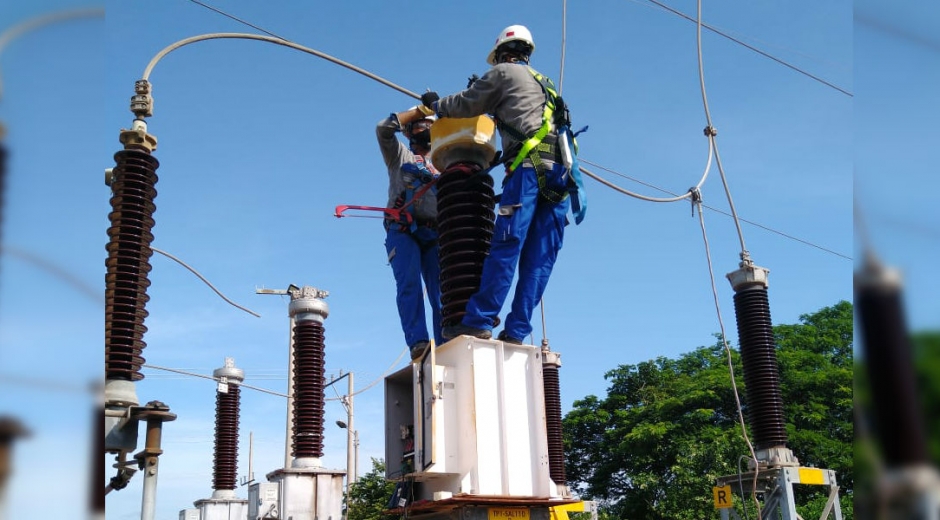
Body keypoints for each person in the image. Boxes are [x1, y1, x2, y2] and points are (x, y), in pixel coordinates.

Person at [418, 24, 584, 345]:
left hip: (528, 172)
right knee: (539, 259)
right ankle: (517, 332)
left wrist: (435, 104)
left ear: (501, 55)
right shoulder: (546, 85)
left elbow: (467, 103)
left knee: (506, 245)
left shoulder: (503, 73)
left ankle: (477, 321)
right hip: (562, 177)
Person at [376, 107, 443, 359]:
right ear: (410, 132)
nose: (426, 130)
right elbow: (382, 129)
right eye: (420, 126)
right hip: (402, 230)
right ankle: (418, 342)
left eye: (430, 126)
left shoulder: (443, 161)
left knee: (442, 292)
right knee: (410, 284)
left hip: (434, 233)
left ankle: (447, 340)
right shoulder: (399, 155)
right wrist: (418, 110)